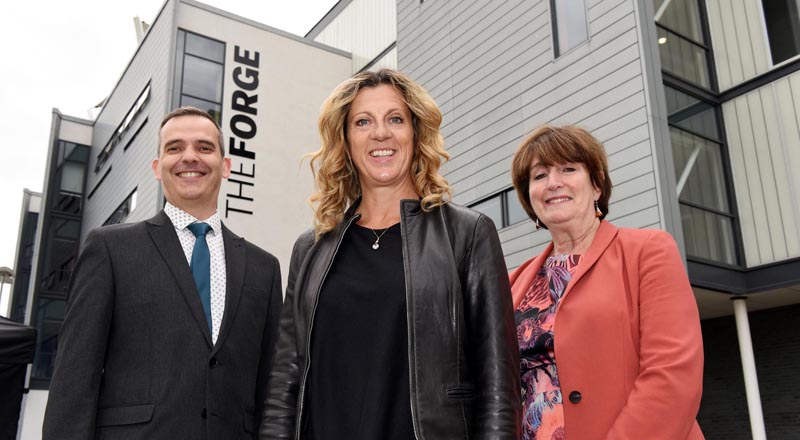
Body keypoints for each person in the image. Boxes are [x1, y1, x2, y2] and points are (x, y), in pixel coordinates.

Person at [259, 69, 521, 439]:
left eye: (395, 119)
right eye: (363, 121)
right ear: (346, 141)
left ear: (415, 133)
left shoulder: (466, 234)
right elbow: (285, 381)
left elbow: (499, 384)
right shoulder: (311, 248)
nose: (380, 133)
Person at [43, 107, 283, 439]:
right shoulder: (110, 249)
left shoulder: (264, 269)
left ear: (225, 166)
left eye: (204, 147)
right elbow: (74, 376)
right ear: (157, 168)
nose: (189, 157)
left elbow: (269, 386)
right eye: (174, 148)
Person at [509, 124, 705, 439]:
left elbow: (673, 376)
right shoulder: (513, 282)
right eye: (539, 175)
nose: (553, 183)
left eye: (568, 169)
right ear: (528, 195)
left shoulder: (648, 252)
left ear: (597, 185)